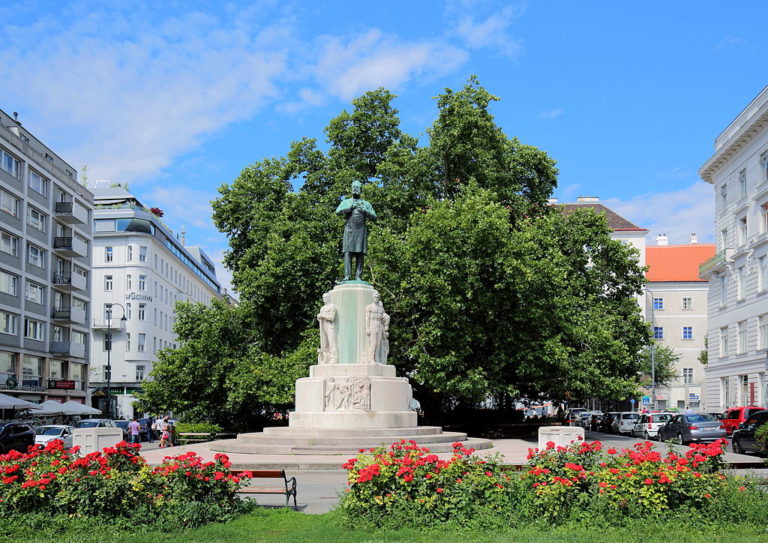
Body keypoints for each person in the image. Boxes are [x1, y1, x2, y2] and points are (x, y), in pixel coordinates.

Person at [335, 181, 377, 281]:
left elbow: (374, 217)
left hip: (361, 230)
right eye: (353, 187)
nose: (355, 189)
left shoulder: (366, 204)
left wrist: (365, 210)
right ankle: (347, 276)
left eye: (357, 187)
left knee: (360, 253)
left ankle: (359, 275)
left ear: (361, 189)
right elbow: (338, 211)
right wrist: (350, 207)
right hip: (349, 229)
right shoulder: (346, 202)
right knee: (348, 252)